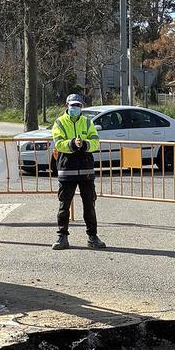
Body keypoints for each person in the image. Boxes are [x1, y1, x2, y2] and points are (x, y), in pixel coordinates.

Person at [51, 94, 106, 250]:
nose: (75, 108)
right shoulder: (59, 122)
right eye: (73, 105)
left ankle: (92, 237)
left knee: (89, 205)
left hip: (85, 170)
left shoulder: (87, 122)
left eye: (78, 105)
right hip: (67, 170)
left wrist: (85, 144)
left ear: (82, 107)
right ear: (67, 106)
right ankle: (62, 236)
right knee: (64, 206)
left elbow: (95, 142)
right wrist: (73, 144)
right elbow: (59, 143)